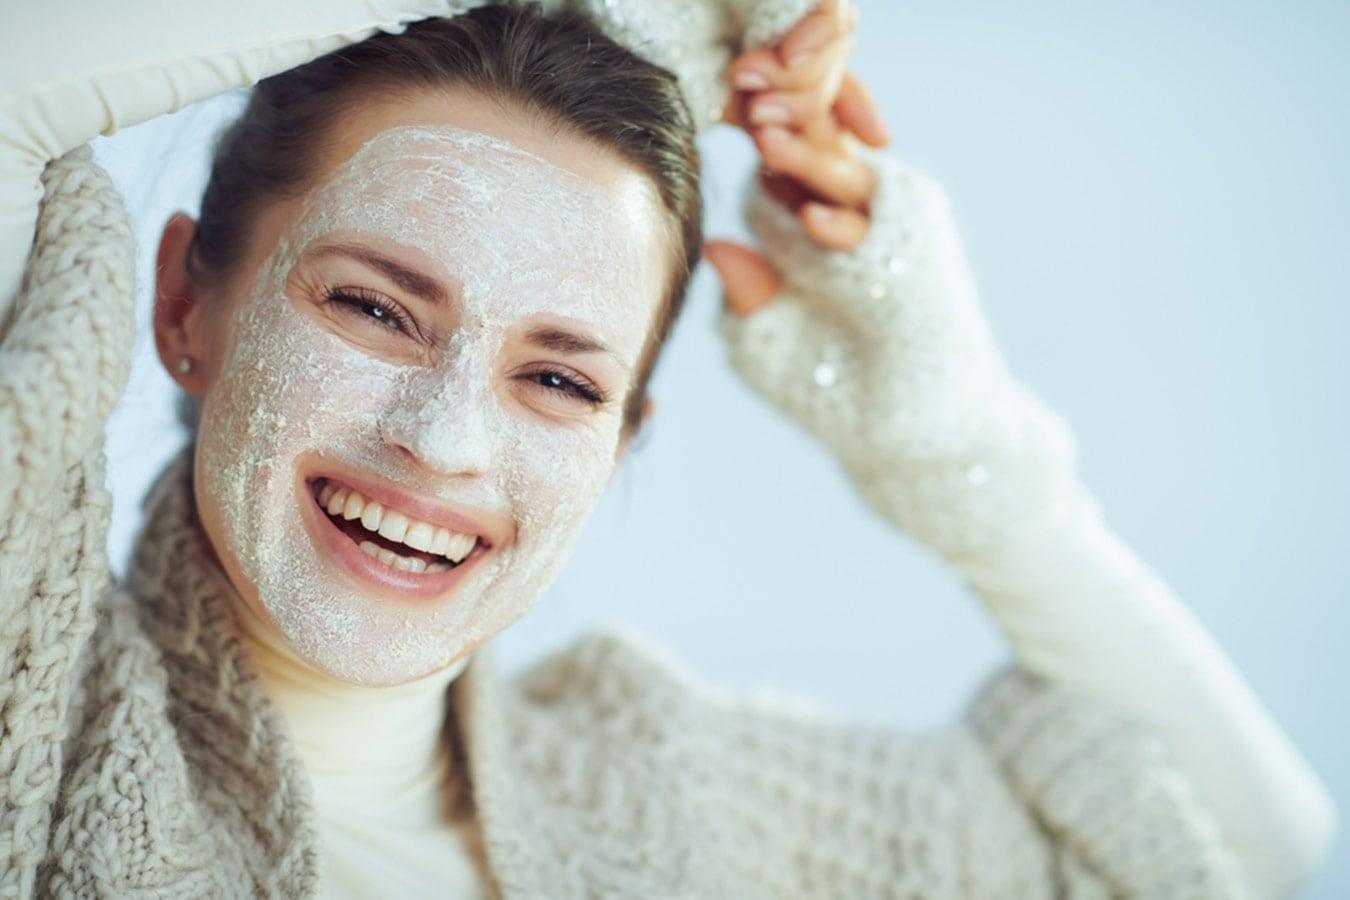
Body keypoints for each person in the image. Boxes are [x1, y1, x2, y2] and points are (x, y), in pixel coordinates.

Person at [0, 0, 1335, 896]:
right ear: (184, 306)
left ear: (624, 434)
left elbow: (1247, 848)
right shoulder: (34, 712)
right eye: (373, 309)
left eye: (559, 380)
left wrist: (956, 453)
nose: (445, 441)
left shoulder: (695, 803)